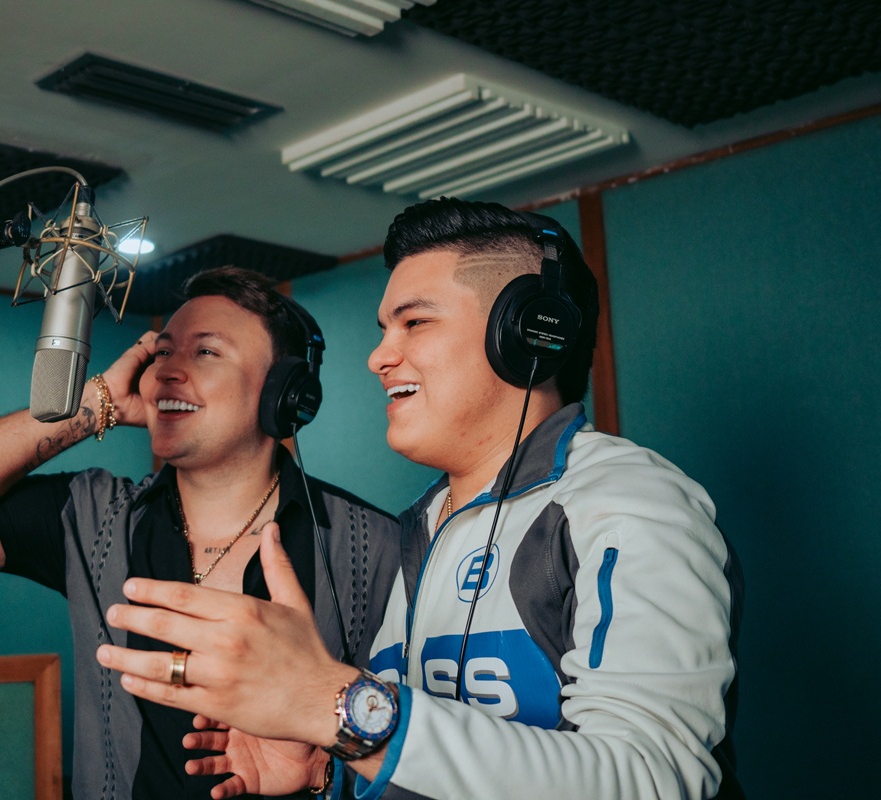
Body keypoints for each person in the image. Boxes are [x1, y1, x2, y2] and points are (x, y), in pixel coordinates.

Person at [96, 199, 744, 799]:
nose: (379, 356)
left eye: (415, 322)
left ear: (529, 333)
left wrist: (334, 701)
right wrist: (326, 764)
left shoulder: (629, 503)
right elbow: (427, 755)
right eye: (385, 329)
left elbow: (654, 779)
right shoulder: (422, 528)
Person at [0, 265, 402, 800]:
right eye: (162, 352)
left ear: (283, 392)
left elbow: (433, 753)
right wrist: (94, 405)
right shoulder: (93, 516)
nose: (167, 371)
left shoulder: (376, 546)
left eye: (206, 351)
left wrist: (324, 771)